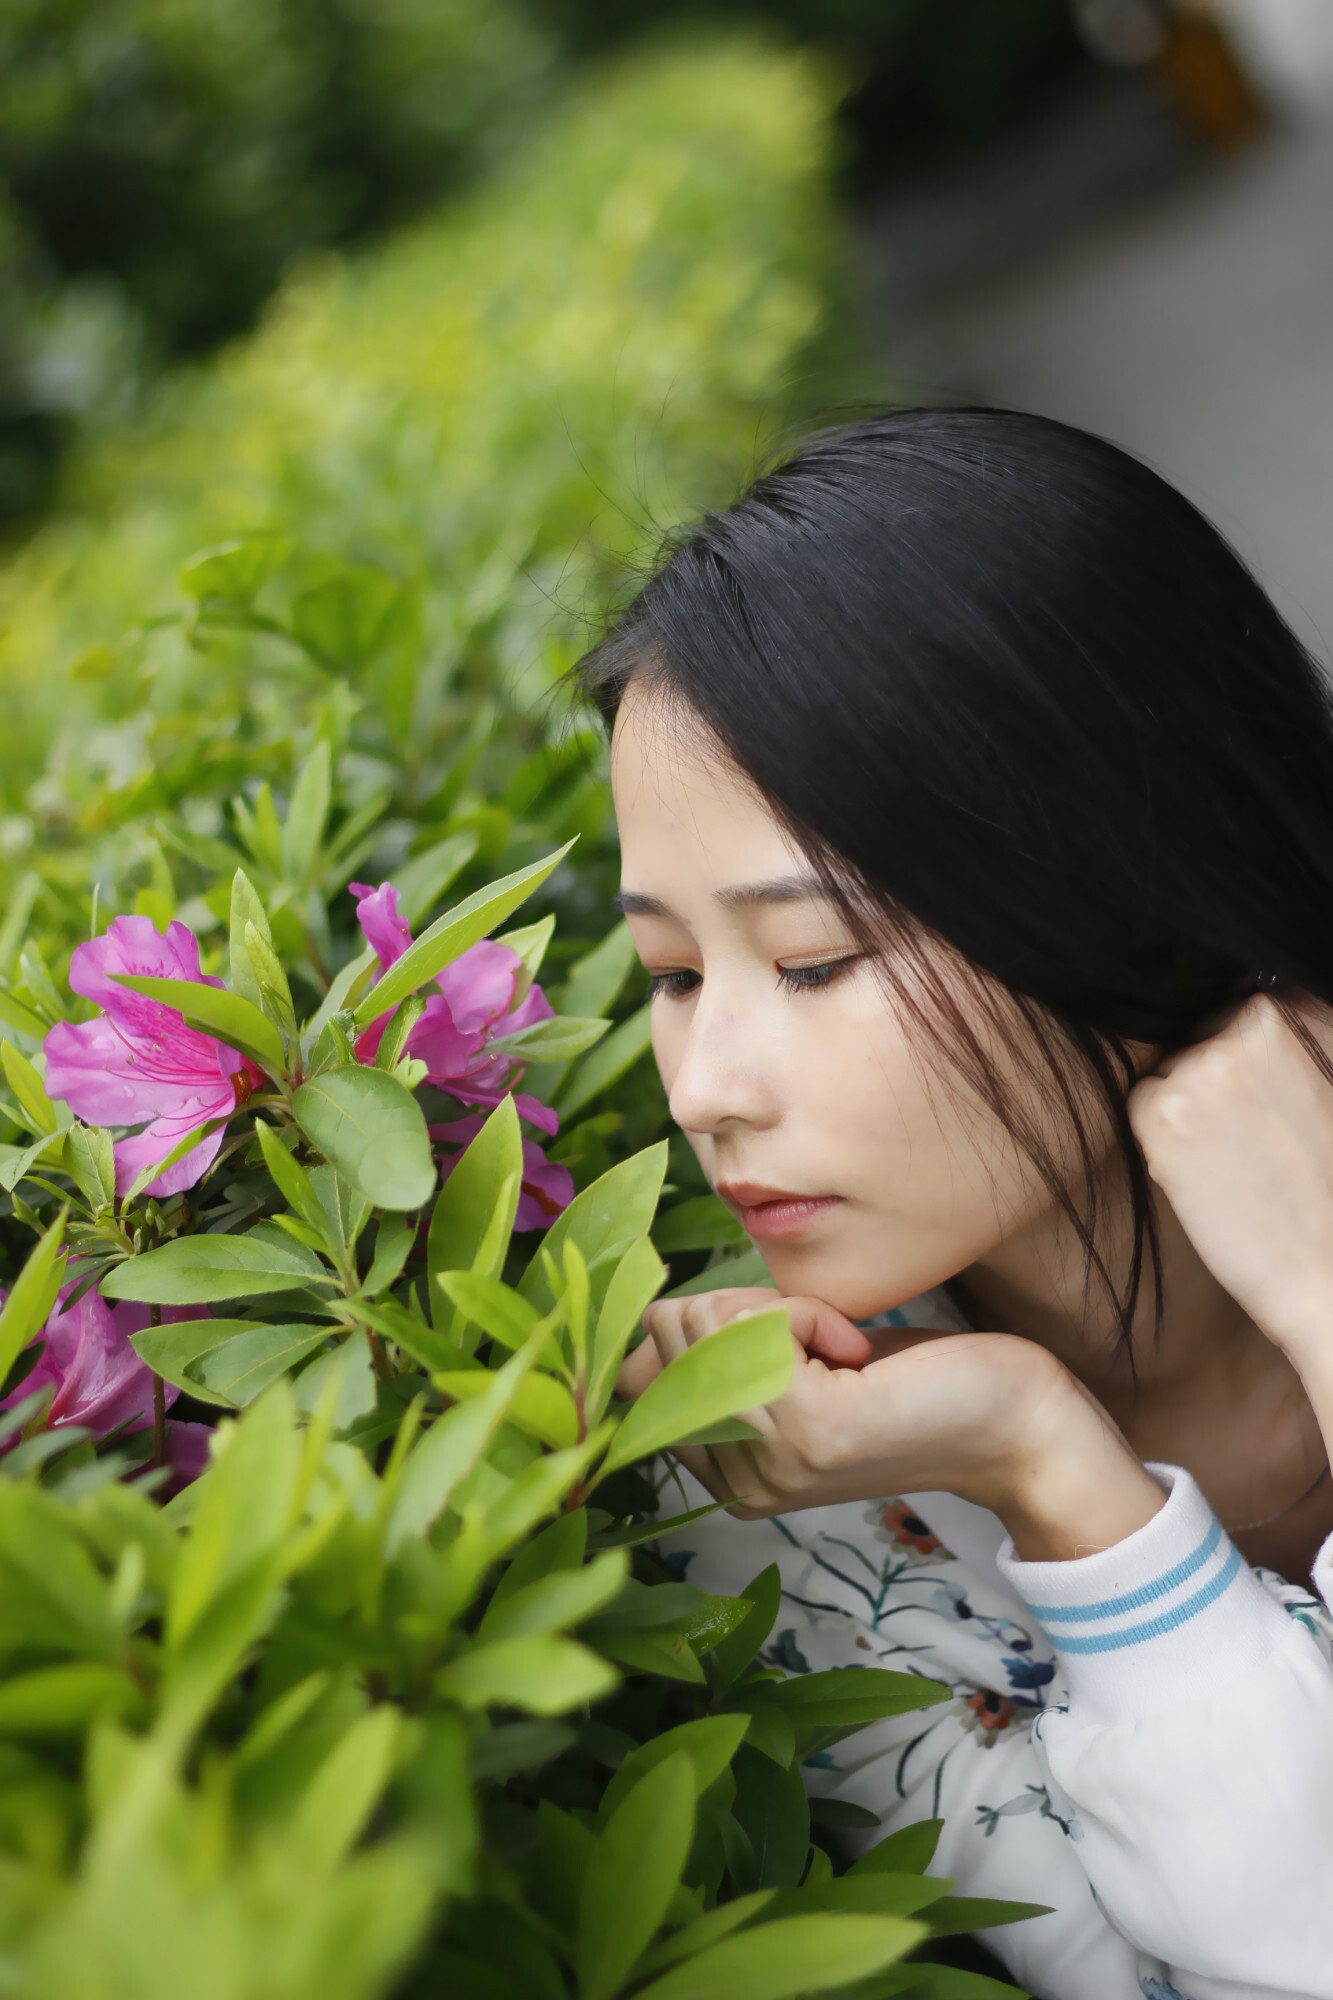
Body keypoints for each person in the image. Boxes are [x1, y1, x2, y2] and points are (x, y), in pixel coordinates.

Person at [576, 409, 1333, 2000]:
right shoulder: (793, 1481)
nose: (707, 1083)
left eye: (809, 963)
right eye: (667, 973)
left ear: (1126, 879)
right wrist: (1044, 1467)